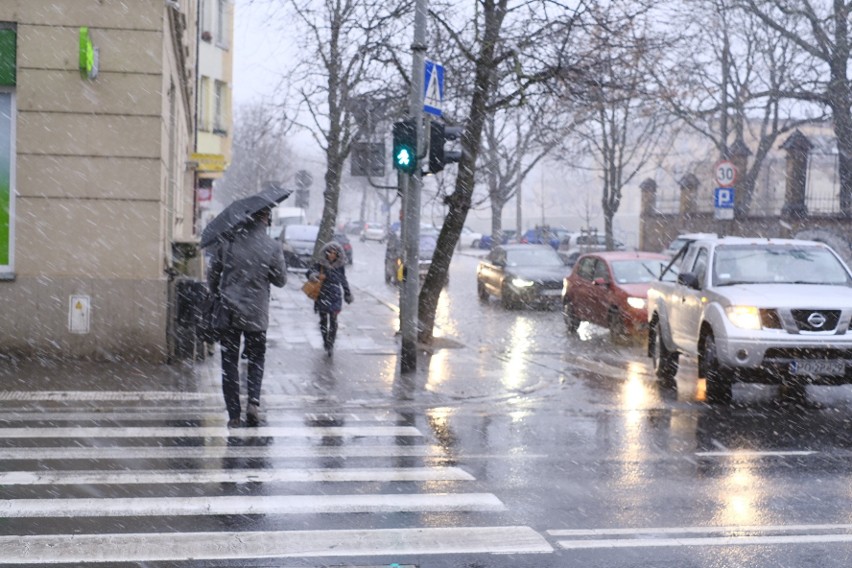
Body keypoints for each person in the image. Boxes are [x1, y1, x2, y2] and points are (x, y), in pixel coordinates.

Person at [207, 206, 286, 428]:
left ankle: (233, 413)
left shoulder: (229, 241)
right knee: (256, 359)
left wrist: (215, 292)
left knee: (229, 363)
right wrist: (265, 272)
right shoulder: (272, 246)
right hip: (256, 313)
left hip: (229, 311)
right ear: (265, 219)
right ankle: (253, 401)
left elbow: (213, 273)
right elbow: (281, 280)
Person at [306, 241, 352, 356]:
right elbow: (309, 272)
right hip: (322, 294)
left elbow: (343, 279)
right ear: (326, 254)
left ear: (337, 254)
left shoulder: (340, 267)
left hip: (335, 295)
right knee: (323, 320)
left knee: (333, 320)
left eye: (334, 253)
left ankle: (330, 343)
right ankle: (325, 340)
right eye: (329, 253)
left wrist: (347, 293)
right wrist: (314, 276)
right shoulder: (320, 264)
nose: (331, 255)